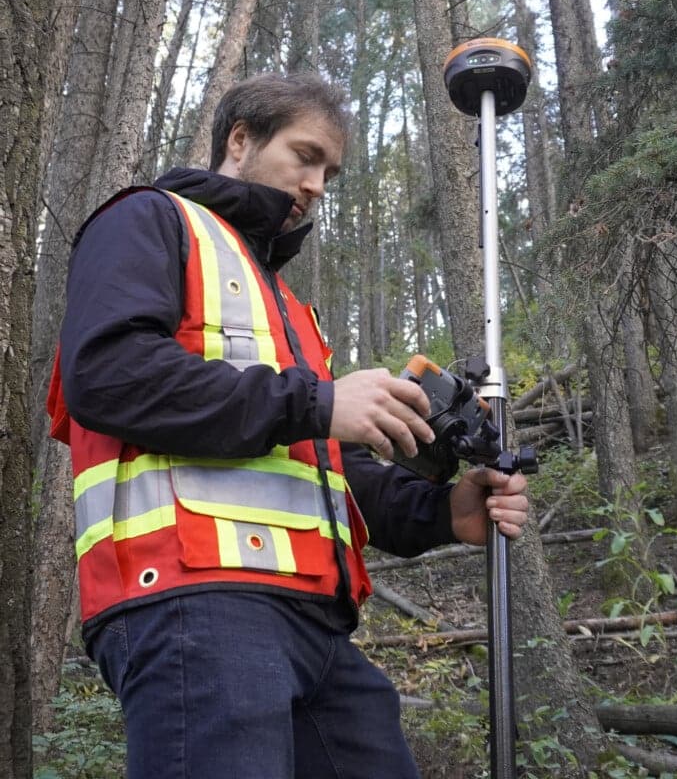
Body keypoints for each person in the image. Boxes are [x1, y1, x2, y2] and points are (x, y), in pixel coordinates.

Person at [47, 72, 530, 779]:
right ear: (240, 140)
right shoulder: (149, 220)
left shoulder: (289, 310)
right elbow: (109, 375)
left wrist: (442, 513)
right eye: (305, 157)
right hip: (194, 600)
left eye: (330, 171)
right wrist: (319, 402)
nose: (318, 186)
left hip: (316, 626)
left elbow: (319, 469)